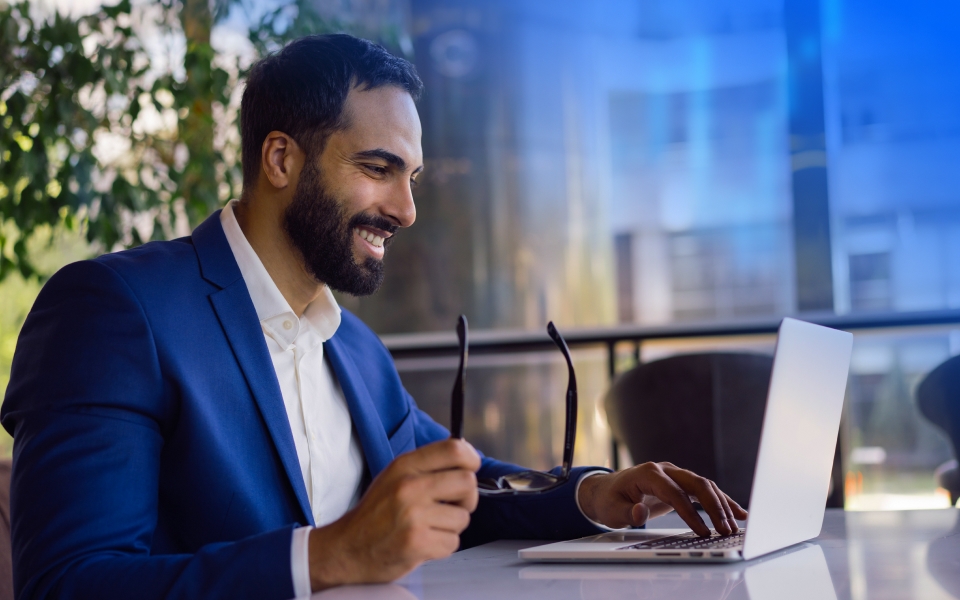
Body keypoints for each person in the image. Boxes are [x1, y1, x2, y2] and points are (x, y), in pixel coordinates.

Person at [1, 34, 746, 600]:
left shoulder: (352, 348)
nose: (406, 209)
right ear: (282, 159)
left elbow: (468, 485)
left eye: (411, 177)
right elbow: (71, 582)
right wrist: (330, 554)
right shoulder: (113, 310)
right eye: (377, 169)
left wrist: (593, 494)